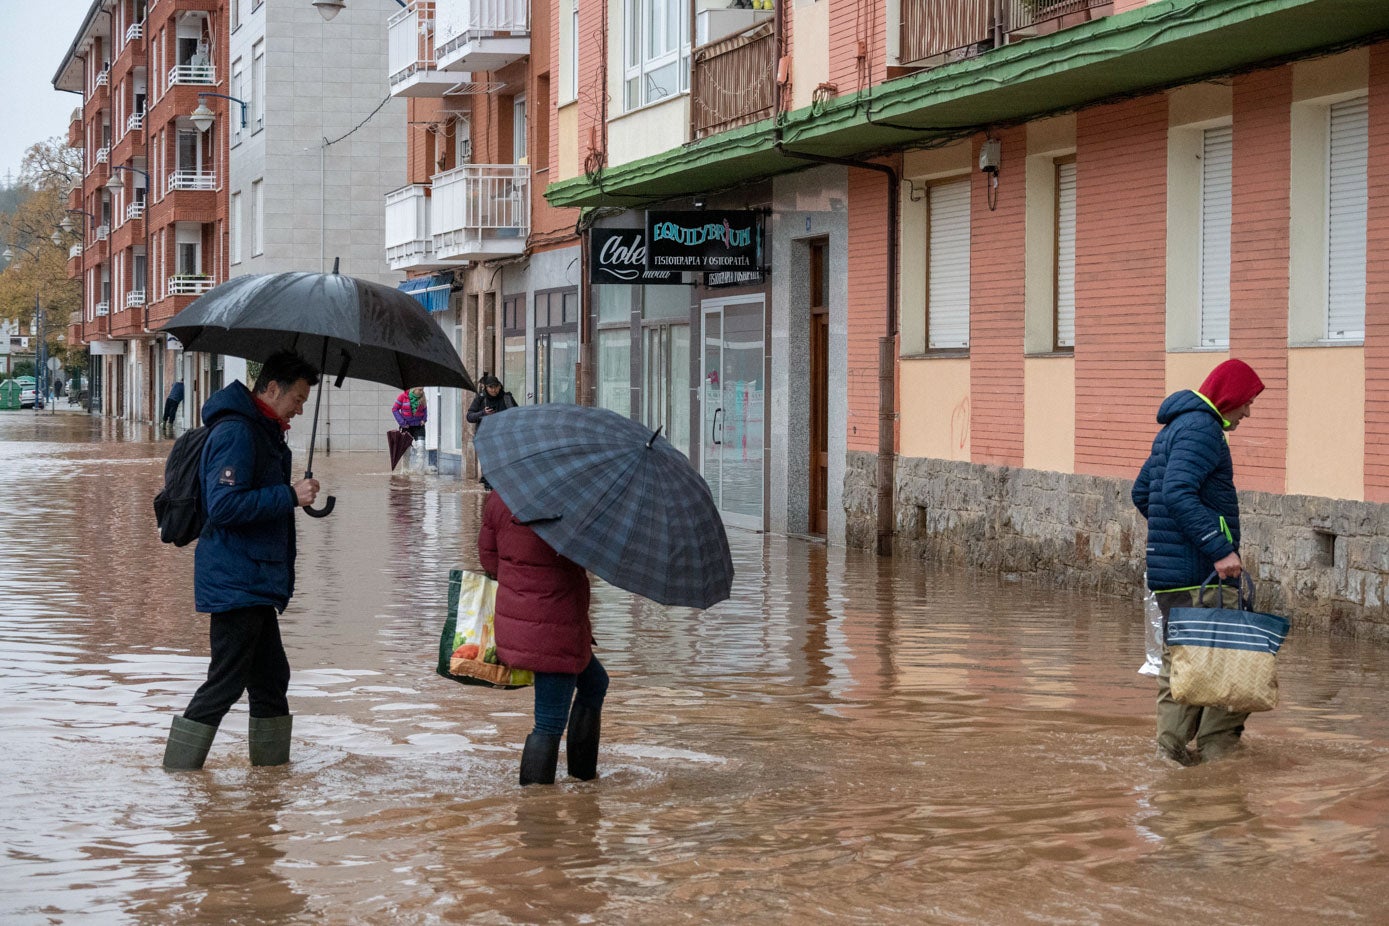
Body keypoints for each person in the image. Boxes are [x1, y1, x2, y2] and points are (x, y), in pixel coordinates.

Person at [161, 351, 322, 771]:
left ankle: (269, 783)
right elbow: (224, 506)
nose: (301, 408)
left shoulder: (263, 432)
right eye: (298, 398)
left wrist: (288, 492)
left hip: (253, 577)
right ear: (271, 389)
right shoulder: (237, 432)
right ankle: (178, 774)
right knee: (227, 681)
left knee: (271, 681)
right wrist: (289, 496)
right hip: (236, 579)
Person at [1132, 357, 1265, 767]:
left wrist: (1174, 541)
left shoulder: (1175, 428)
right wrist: (1217, 548)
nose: (1248, 411)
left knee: (1185, 666)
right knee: (1231, 665)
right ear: (1229, 398)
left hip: (1174, 576)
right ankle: (1217, 764)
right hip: (1198, 576)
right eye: (1246, 401)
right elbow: (1175, 493)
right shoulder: (1202, 430)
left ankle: (1169, 761)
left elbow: (1143, 493)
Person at [479, 490, 607, 785]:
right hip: (556, 626)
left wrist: (520, 585)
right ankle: (537, 811)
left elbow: (488, 559)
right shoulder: (572, 504)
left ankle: (583, 778)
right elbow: (589, 557)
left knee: (595, 682)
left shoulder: (500, 498)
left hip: (521, 622)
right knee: (548, 723)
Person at [466, 373, 517, 490]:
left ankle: (498, 490)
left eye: (496, 387)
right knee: (489, 465)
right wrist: (483, 413)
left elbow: (516, 414)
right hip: (485, 437)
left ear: (500, 386)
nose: (494, 390)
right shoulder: (481, 399)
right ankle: (489, 493)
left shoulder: (507, 398)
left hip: (503, 436)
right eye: (491, 387)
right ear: (486, 388)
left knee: (502, 464)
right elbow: (469, 416)